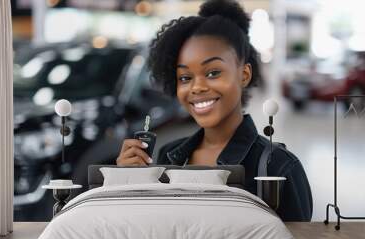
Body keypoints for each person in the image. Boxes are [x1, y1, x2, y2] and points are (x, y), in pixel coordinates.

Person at [116, 0, 313, 221]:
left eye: (212, 73)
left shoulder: (281, 167)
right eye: (185, 77)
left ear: (244, 75)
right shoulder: (169, 156)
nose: (197, 86)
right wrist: (127, 183)